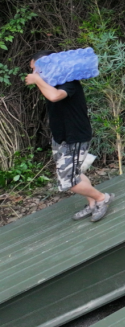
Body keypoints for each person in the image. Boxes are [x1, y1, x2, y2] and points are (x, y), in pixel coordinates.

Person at [25, 52, 113, 222]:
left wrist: (37, 80)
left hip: (75, 137)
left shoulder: (68, 81)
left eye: (35, 68)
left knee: (69, 182)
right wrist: (40, 80)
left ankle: (102, 198)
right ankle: (92, 203)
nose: (33, 72)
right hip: (61, 137)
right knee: (76, 173)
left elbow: (55, 96)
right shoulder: (51, 80)